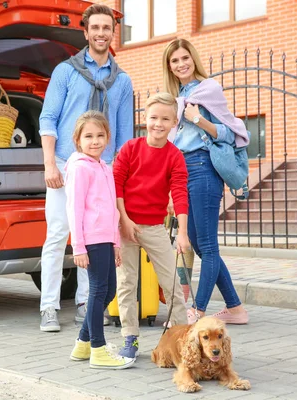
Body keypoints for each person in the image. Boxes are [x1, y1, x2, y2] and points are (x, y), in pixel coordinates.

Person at [38, 4, 133, 332]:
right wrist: (50, 163)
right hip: (66, 164)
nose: (101, 33)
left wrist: (118, 177)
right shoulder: (65, 71)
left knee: (94, 237)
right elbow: (48, 119)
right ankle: (48, 306)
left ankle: (84, 301)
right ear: (86, 32)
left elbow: (123, 135)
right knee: (58, 234)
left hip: (103, 168)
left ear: (112, 32)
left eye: (107, 28)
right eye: (96, 28)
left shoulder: (122, 81)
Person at [162, 38, 249, 325]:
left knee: (208, 246)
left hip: (203, 168)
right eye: (175, 61)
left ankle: (197, 310)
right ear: (170, 67)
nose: (181, 64)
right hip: (182, 169)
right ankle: (235, 308)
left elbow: (230, 132)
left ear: (193, 58)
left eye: (185, 58)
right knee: (199, 244)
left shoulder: (208, 89)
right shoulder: (176, 98)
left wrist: (197, 119)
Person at [112, 93, 190, 359]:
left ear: (174, 123)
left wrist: (182, 233)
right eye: (154, 117)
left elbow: (179, 193)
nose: (158, 123)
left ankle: (182, 340)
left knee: (172, 285)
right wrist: (124, 220)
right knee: (126, 283)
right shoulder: (130, 148)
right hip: (125, 225)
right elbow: (116, 185)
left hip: (155, 227)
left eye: (165, 119)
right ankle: (130, 338)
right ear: (145, 119)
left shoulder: (175, 156)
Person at [66, 111, 135, 369]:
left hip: (106, 239)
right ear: (78, 140)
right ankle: (98, 349)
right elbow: (75, 209)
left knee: (109, 290)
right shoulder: (80, 168)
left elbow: (111, 209)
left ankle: (83, 344)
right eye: (88, 136)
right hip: (91, 239)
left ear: (107, 138)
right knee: (97, 291)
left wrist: (116, 242)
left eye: (100, 135)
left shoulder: (104, 167)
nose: (95, 141)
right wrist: (78, 246)